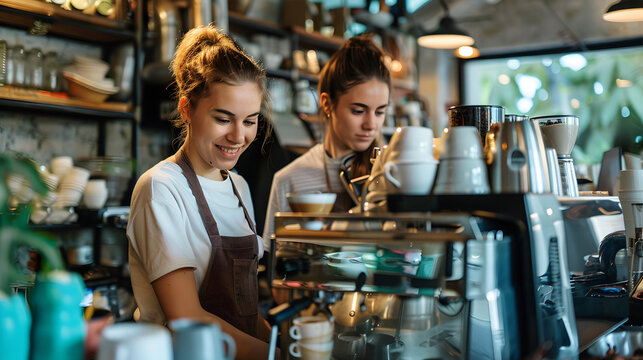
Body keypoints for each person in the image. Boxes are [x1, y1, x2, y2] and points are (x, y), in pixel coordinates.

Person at [127, 25, 275, 358]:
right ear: (186, 109)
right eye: (224, 119)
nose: (239, 136)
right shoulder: (161, 189)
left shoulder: (239, 187)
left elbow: (246, 315)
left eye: (250, 120)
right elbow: (186, 317)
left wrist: (285, 345)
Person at [263, 35, 391, 247]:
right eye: (358, 111)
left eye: (380, 112)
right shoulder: (289, 179)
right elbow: (276, 265)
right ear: (327, 103)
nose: (371, 124)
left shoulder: (388, 174)